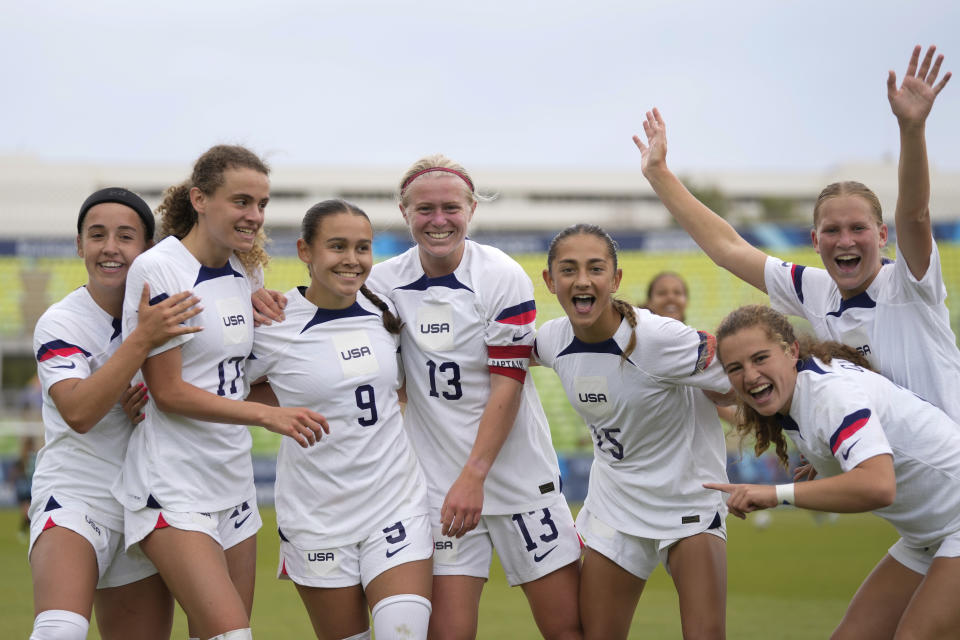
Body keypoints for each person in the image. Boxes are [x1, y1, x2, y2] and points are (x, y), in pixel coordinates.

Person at [634, 45, 960, 423]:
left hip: (946, 473)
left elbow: (915, 214)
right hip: (880, 470)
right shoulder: (815, 290)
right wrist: (659, 174)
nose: (846, 240)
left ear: (883, 234)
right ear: (815, 241)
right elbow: (728, 248)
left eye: (858, 228)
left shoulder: (909, 284)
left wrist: (911, 129)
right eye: (832, 230)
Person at [113, 146, 328, 640]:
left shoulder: (246, 272)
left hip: (233, 481)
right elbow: (168, 392)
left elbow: (235, 374)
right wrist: (266, 416)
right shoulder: (159, 269)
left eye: (262, 204)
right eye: (241, 201)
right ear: (200, 199)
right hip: (172, 484)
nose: (254, 216)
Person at [366, 155, 582, 640]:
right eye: (424, 209)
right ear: (404, 212)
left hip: (519, 480)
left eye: (450, 208)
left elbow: (510, 380)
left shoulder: (501, 275)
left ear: (470, 210)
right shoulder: (380, 284)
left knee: (566, 629)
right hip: (439, 489)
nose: (438, 220)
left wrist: (475, 475)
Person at [708, 304, 960, 639]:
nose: (750, 375)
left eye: (760, 358)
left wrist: (775, 495)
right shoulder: (803, 391)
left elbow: (878, 486)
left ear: (792, 350)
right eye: (735, 367)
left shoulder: (828, 396)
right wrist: (830, 457)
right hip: (928, 535)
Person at [245, 199, 433, 640]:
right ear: (305, 251)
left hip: (394, 503)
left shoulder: (386, 313)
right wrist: (279, 407)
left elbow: (402, 387)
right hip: (316, 517)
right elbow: (227, 387)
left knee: (402, 632)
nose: (352, 260)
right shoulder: (272, 321)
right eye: (337, 246)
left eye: (363, 247)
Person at [536, 223, 730, 640]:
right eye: (568, 270)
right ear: (550, 281)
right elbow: (497, 359)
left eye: (595, 268)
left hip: (688, 501)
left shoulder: (660, 338)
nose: (582, 280)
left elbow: (750, 378)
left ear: (616, 279)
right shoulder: (551, 340)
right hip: (615, 508)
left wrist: (805, 441)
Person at [28, 187, 204, 640]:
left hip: (144, 503)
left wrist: (261, 303)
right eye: (97, 235)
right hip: (76, 494)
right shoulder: (61, 321)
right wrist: (140, 342)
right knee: (59, 630)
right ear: (79, 245)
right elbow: (80, 412)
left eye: (126, 237)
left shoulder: (175, 309)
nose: (110, 247)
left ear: (147, 247)